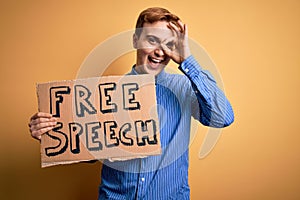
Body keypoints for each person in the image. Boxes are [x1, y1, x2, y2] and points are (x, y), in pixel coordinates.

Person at [29, 7, 234, 199]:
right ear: (135, 40)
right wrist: (53, 134)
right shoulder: (106, 93)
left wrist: (187, 60)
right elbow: (92, 151)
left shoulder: (185, 88)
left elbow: (223, 118)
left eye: (169, 44)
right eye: (152, 40)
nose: (160, 52)